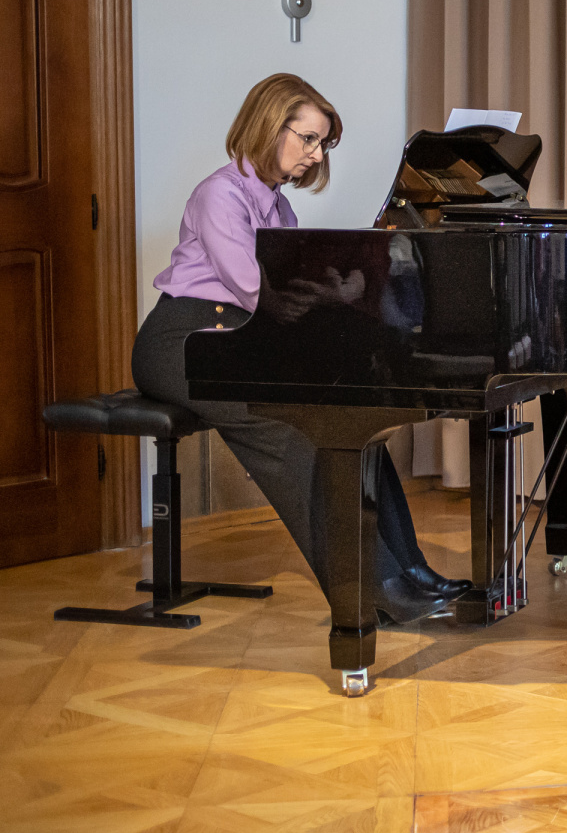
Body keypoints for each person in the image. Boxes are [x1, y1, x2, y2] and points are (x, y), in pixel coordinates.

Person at [131, 73, 468, 624]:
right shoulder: (220, 194)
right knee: (291, 434)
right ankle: (372, 588)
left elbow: (284, 302)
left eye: (323, 143)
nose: (316, 154)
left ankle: (410, 569)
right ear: (270, 124)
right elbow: (262, 294)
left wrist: (336, 293)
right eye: (308, 138)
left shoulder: (280, 210)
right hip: (182, 340)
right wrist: (338, 293)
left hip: (237, 336)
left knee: (355, 431)